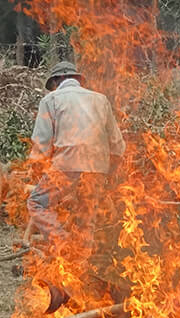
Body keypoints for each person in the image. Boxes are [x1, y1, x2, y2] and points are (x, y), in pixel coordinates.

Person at [26, 61, 125, 245]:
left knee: (36, 202)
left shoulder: (51, 100)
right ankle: (81, 263)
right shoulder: (100, 99)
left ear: (57, 80)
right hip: (97, 168)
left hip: (67, 165)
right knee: (86, 220)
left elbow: (42, 143)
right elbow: (117, 145)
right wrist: (109, 172)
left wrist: (36, 169)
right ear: (78, 79)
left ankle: (61, 243)